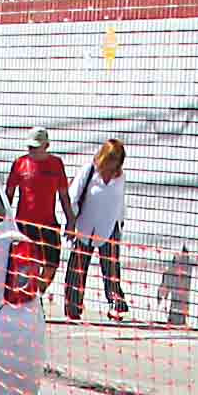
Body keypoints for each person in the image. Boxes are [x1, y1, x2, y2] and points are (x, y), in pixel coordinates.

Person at [64, 137, 129, 323]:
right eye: (110, 159)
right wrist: (71, 221)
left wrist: (121, 222)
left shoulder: (121, 176)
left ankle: (116, 305)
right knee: (77, 268)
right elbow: (73, 196)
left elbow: (120, 201)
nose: (112, 165)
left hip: (110, 226)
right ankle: (73, 307)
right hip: (86, 226)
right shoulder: (89, 171)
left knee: (112, 269)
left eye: (116, 160)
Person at [5, 128, 66, 296]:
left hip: (48, 223)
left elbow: (63, 194)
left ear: (47, 145)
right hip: (25, 224)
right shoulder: (20, 164)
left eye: (36, 147)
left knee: (51, 264)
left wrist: (71, 219)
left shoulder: (56, 164)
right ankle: (27, 296)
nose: (32, 151)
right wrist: (5, 218)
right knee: (26, 264)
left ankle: (38, 292)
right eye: (30, 147)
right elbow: (9, 193)